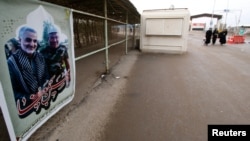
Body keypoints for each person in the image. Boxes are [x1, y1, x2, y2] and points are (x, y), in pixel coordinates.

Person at [7, 26, 49, 117]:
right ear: (19, 40)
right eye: (28, 40)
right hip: (26, 108)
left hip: (43, 100)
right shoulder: (11, 63)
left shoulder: (40, 57)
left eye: (34, 41)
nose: (32, 44)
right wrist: (30, 97)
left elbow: (46, 76)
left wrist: (42, 89)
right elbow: (11, 92)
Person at [40, 25, 70, 93]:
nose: (54, 40)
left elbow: (67, 63)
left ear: (59, 38)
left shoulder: (63, 48)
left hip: (61, 78)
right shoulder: (42, 52)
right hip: (48, 82)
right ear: (48, 38)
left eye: (56, 37)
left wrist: (69, 75)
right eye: (52, 38)